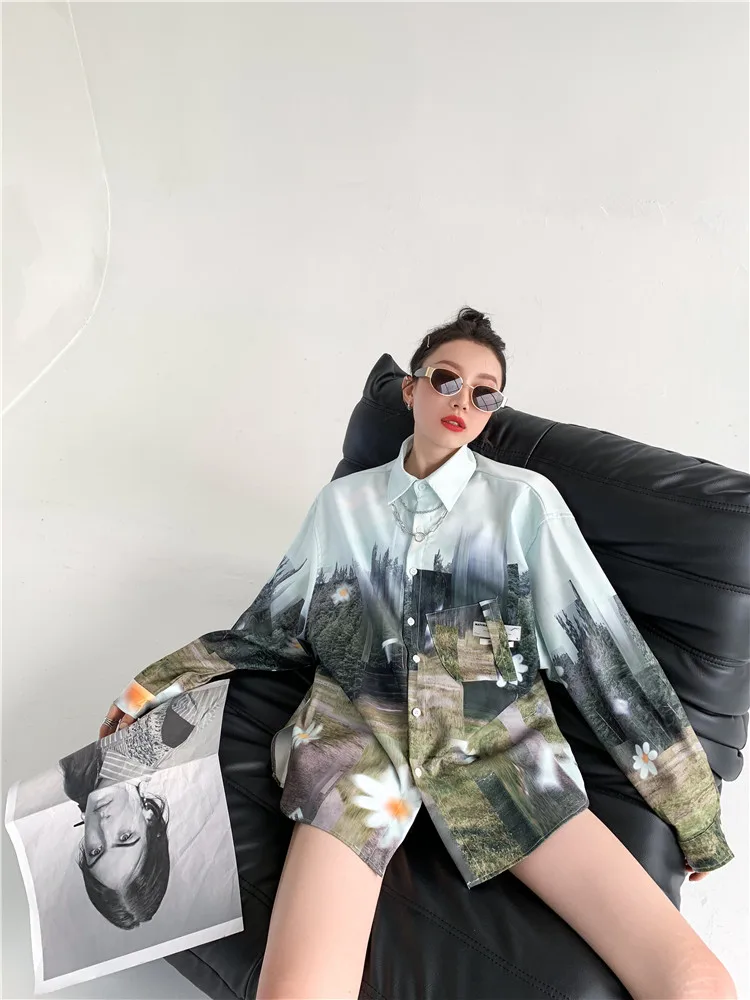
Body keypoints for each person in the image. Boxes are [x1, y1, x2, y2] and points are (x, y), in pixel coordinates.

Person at [100, 307, 737, 998]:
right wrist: (156, 683)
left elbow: (601, 655)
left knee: (691, 979)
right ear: (411, 389)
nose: (464, 400)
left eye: (485, 393)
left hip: (497, 751)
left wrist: (694, 814)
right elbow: (273, 625)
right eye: (447, 379)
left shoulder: (523, 504)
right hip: (355, 749)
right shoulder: (343, 507)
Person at [62, 689, 213, 929]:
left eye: (96, 850)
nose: (104, 826)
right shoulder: (169, 732)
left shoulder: (74, 782)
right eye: (124, 837)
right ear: (149, 817)